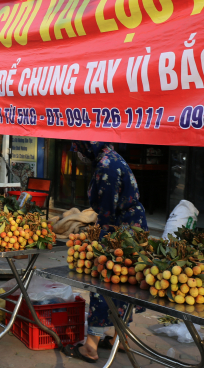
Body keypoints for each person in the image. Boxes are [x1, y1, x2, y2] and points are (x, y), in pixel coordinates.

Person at [66, 141, 147, 363]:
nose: (79, 155)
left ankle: (91, 345)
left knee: (103, 282)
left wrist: (99, 239)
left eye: (80, 150)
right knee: (125, 282)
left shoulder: (105, 166)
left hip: (121, 230)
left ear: (87, 147)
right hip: (132, 227)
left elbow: (106, 212)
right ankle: (120, 338)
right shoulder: (112, 156)